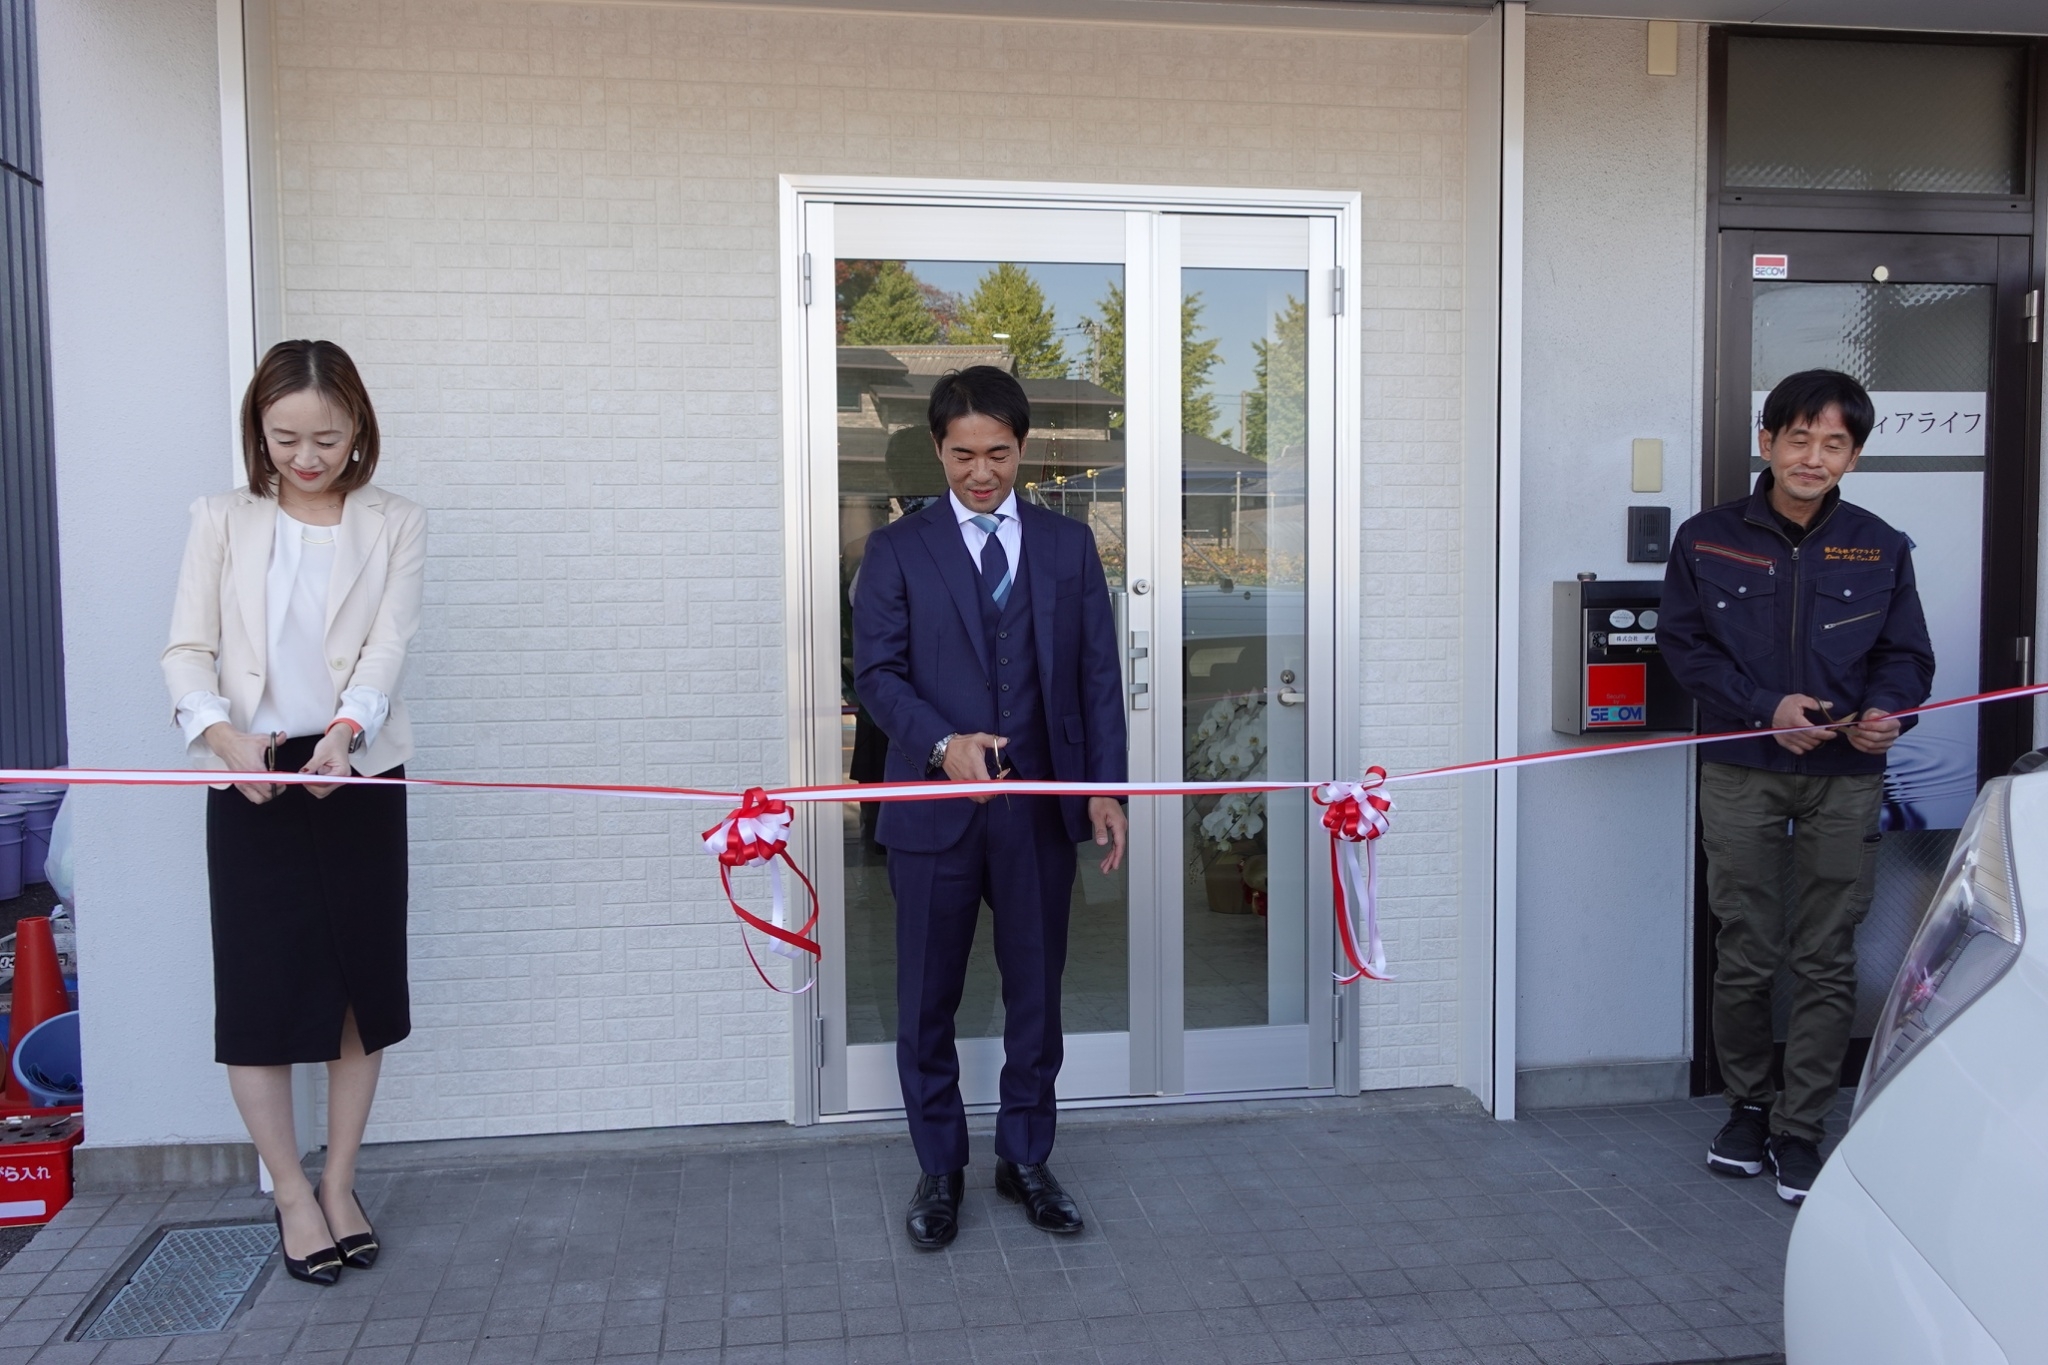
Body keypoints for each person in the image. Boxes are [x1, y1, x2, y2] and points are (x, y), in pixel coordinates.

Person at [163, 340, 427, 1284]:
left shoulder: (396, 520)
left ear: (358, 428)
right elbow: (186, 649)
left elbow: (387, 647)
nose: (307, 457)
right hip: (248, 772)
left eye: (326, 437)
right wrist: (221, 738)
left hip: (356, 768)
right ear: (258, 431)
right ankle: (290, 1193)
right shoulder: (220, 518)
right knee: (261, 992)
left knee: (360, 986)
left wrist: (346, 734)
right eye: (285, 438)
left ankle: (341, 1183)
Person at [852, 366, 1128, 1250]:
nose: (982, 472)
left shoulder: (1067, 546)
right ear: (939, 449)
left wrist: (1105, 789)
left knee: (1036, 997)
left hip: (1037, 811)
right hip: (933, 813)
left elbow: (1097, 676)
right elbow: (877, 677)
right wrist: (943, 746)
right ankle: (939, 1169)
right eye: (964, 454)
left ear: (1024, 448)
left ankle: (1025, 1157)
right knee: (925, 1001)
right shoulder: (897, 550)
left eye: (999, 454)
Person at [1658, 368, 1933, 1204]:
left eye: (1834, 443)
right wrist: (1764, 706)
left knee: (1826, 952)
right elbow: (1685, 648)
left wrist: (1889, 711)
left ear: (1854, 457)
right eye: (1800, 438)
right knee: (1746, 944)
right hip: (1744, 767)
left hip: (1845, 776)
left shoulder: (1881, 544)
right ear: (1768, 441)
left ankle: (1801, 1124)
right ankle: (1747, 1105)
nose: (1814, 456)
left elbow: (1907, 656)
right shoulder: (1706, 539)